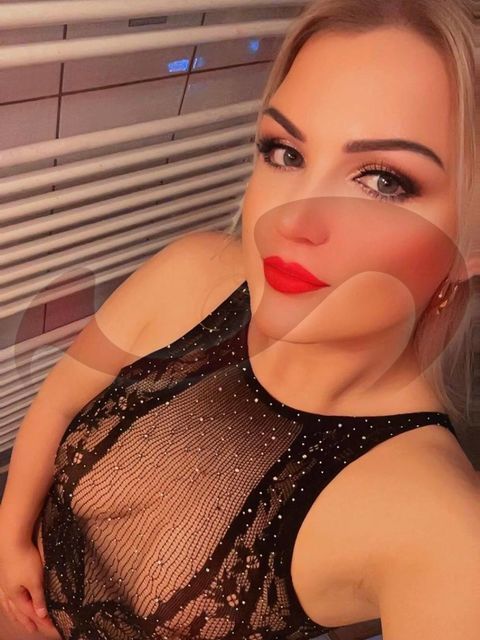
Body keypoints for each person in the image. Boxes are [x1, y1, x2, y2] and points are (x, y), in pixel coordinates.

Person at [0, 0, 478, 639]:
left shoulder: (441, 529)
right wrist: (11, 541)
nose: (291, 222)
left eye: (383, 181)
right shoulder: (189, 270)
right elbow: (57, 403)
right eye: (285, 152)